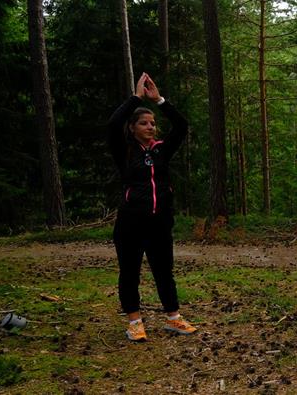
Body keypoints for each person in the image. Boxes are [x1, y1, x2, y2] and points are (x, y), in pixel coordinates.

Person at [106, 73, 197, 342]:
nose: (150, 127)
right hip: (130, 223)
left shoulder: (161, 150)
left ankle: (174, 318)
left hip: (160, 222)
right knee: (130, 271)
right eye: (144, 123)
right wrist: (135, 98)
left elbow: (181, 126)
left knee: (163, 271)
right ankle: (135, 322)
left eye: (153, 123)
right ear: (132, 127)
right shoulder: (125, 150)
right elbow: (113, 124)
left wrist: (159, 100)